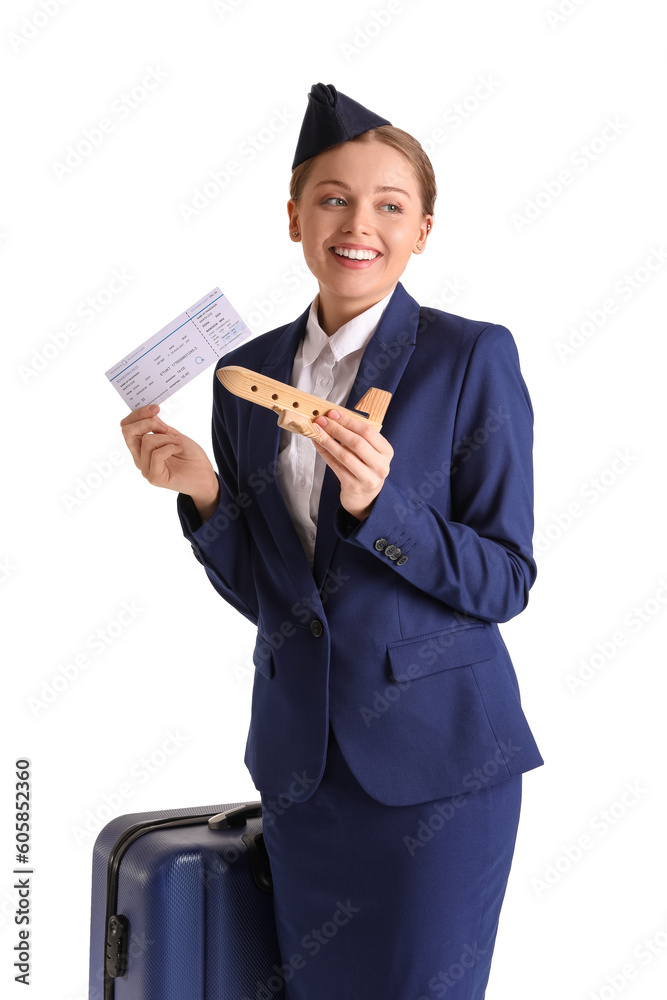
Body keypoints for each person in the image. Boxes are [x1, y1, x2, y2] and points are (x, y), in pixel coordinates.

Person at [120, 82, 544, 1000]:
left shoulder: (469, 358)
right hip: (304, 774)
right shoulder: (251, 374)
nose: (360, 224)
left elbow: (506, 578)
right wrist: (201, 491)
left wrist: (378, 510)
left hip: (438, 771)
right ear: (294, 218)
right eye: (333, 199)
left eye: (390, 205)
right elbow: (269, 594)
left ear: (423, 229)